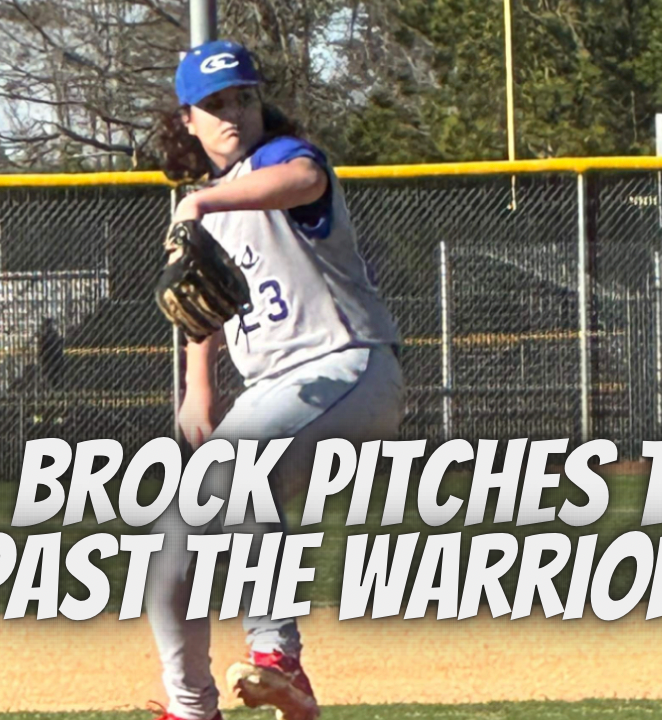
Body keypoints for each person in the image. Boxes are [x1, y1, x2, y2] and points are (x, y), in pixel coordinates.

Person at [146, 40, 404, 720]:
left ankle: (277, 656)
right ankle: (190, 707)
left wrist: (204, 203)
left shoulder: (282, 160)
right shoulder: (203, 202)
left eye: (244, 97)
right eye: (215, 104)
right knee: (173, 543)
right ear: (188, 120)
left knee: (237, 470)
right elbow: (200, 300)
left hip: (348, 368)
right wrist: (197, 383)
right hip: (275, 395)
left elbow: (304, 182)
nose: (233, 113)